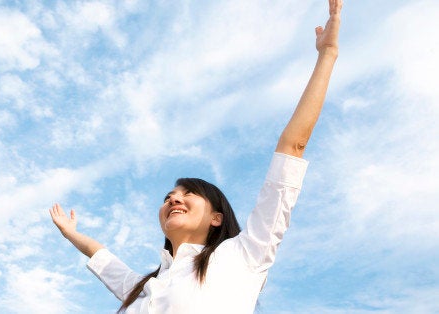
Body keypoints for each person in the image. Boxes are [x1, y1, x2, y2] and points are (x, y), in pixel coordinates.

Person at [49, 0, 342, 312]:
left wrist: (327, 55)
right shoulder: (143, 288)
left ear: (217, 218)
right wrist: (71, 234)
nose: (174, 199)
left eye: (188, 194)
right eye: (169, 196)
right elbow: (101, 255)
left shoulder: (243, 254)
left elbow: (292, 147)